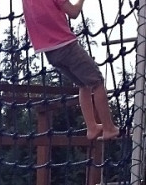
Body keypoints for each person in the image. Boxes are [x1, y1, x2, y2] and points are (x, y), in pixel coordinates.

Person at [22, 0, 119, 140]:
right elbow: (73, 12)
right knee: (97, 82)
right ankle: (109, 128)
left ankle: (92, 127)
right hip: (65, 45)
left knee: (83, 84)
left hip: (49, 53)